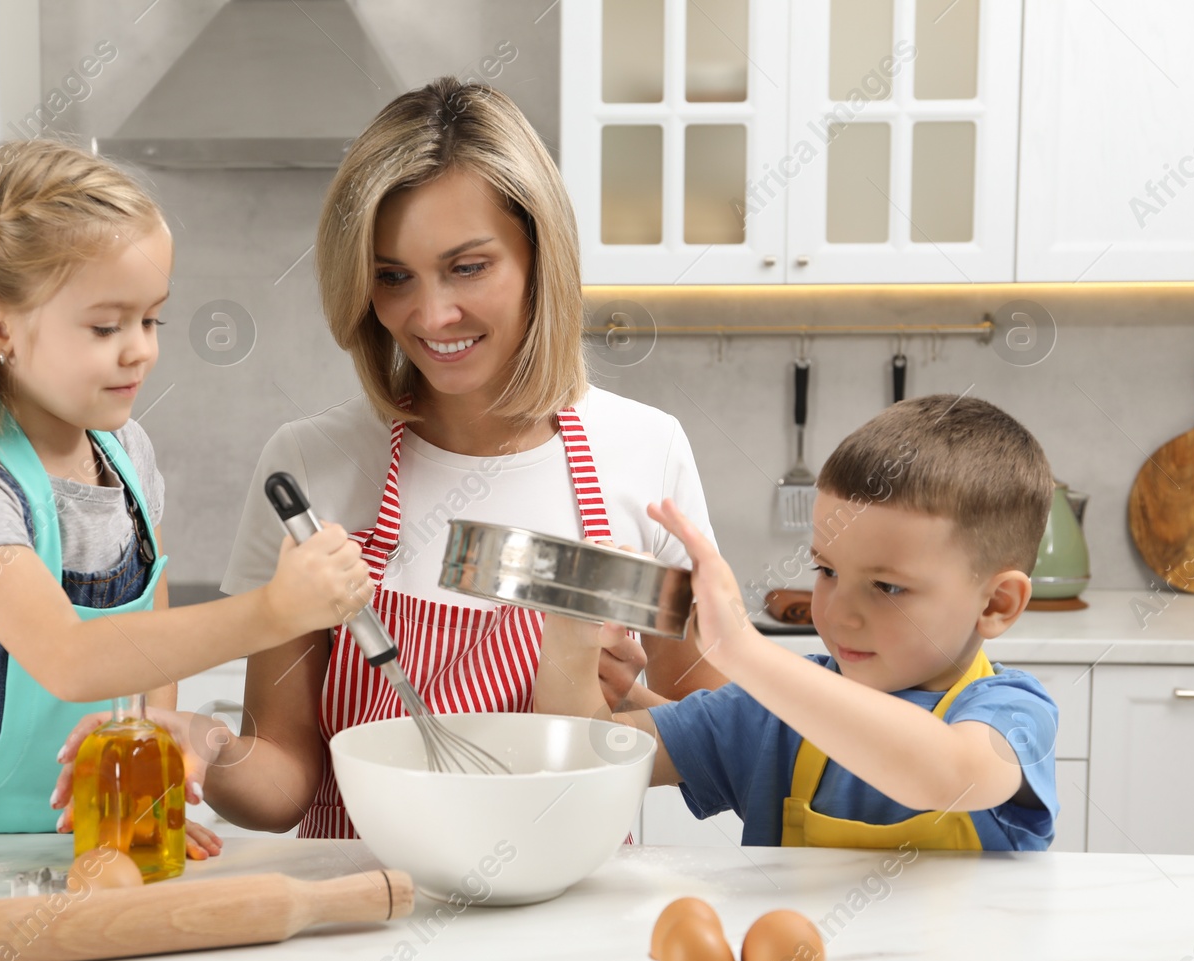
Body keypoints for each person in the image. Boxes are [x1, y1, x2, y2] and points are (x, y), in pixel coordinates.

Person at [56, 76, 722, 839]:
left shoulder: (643, 454)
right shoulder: (312, 466)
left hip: (563, 937)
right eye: (393, 277)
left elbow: (727, 739)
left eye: (468, 266)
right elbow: (282, 779)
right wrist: (202, 747)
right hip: (359, 915)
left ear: (541, 254)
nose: (431, 314)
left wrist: (611, 713)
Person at [0, 139, 372, 837]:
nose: (142, 349)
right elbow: (71, 658)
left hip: (94, 841)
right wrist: (274, 611)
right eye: (106, 325)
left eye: (151, 318)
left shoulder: (126, 455)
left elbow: (149, 648)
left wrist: (147, 783)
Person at [535, 395, 1061, 850]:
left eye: (888, 587)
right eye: (827, 571)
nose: (838, 612)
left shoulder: (1010, 714)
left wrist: (743, 651)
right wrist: (568, 637)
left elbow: (946, 774)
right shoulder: (768, 715)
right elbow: (585, 760)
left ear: (997, 604)